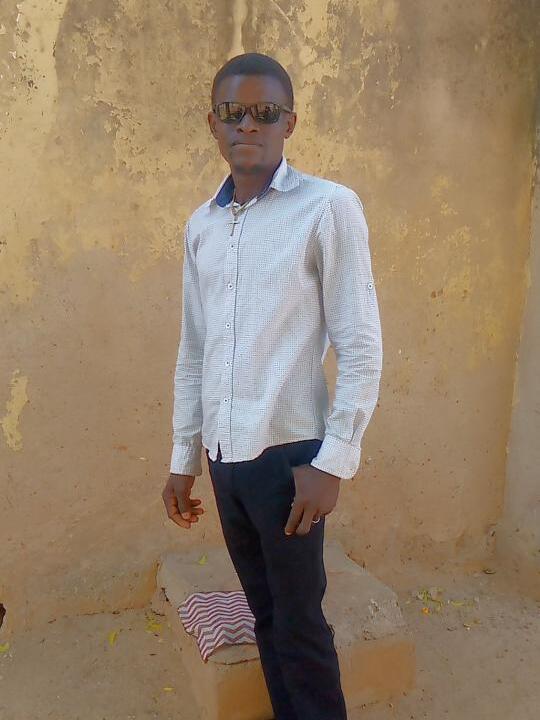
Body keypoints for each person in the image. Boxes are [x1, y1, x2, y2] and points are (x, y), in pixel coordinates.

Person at [162, 52, 383, 720]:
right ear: (213, 123)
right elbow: (194, 350)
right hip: (224, 459)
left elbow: (361, 344)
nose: (248, 125)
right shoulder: (201, 226)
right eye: (233, 112)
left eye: (265, 112)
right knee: (264, 613)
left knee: (300, 622)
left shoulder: (327, 208)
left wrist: (333, 462)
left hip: (290, 460)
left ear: (289, 123)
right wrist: (183, 458)